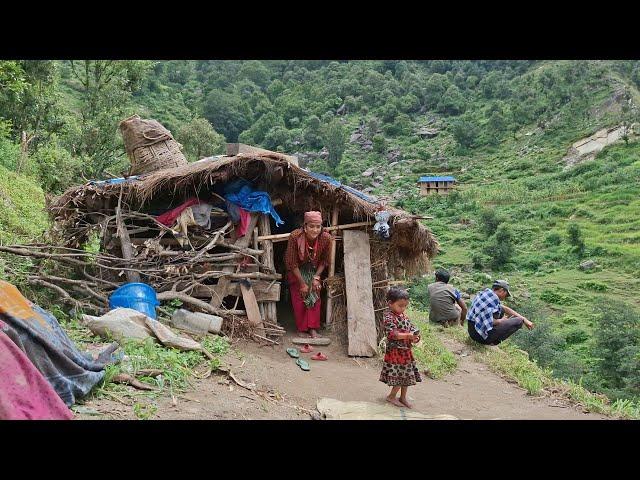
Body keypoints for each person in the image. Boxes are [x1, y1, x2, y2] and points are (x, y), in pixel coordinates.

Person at [284, 211, 333, 338]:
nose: (315, 230)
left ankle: (312, 328)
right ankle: (301, 329)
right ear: (305, 227)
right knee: (300, 296)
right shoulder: (295, 236)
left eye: (318, 227)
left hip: (313, 270)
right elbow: (291, 262)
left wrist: (316, 278)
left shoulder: (326, 238)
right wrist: (302, 283)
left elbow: (325, 261)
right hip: (296, 271)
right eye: (311, 226)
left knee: (315, 295)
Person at [379, 287, 422, 408]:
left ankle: (403, 397)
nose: (403, 308)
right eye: (400, 305)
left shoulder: (404, 316)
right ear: (390, 303)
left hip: (406, 352)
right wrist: (408, 335)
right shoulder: (388, 317)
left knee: (407, 375)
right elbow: (393, 334)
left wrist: (415, 336)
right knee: (399, 375)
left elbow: (411, 328)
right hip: (396, 353)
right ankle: (391, 396)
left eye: (405, 306)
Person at [466, 279, 534, 345]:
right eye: (506, 294)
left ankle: (491, 337)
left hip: (472, 329)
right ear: (501, 290)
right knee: (519, 321)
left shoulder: (487, 294)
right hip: (478, 336)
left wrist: (525, 319)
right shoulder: (491, 300)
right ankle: (492, 342)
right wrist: (501, 321)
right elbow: (490, 321)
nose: (505, 297)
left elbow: (504, 308)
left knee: (501, 310)